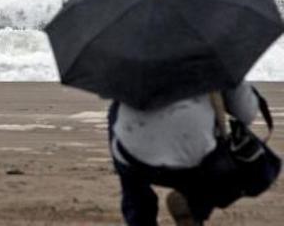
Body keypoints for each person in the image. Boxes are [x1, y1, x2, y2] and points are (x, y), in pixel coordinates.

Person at [108, 82, 258, 226]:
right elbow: (246, 113)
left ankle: (139, 218)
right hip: (194, 156)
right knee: (208, 147)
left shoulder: (131, 60)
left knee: (132, 182)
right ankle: (191, 203)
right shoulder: (215, 60)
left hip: (137, 158)